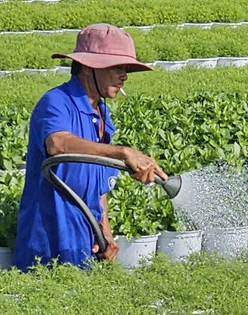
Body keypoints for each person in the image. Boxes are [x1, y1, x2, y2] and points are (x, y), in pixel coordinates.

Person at [14, 24, 167, 269]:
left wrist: (104, 230)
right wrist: (122, 151)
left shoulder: (102, 114)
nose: (124, 75)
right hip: (49, 239)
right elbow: (57, 144)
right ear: (87, 67)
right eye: (116, 67)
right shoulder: (56, 102)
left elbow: (98, 183)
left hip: (86, 239)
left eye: (126, 68)